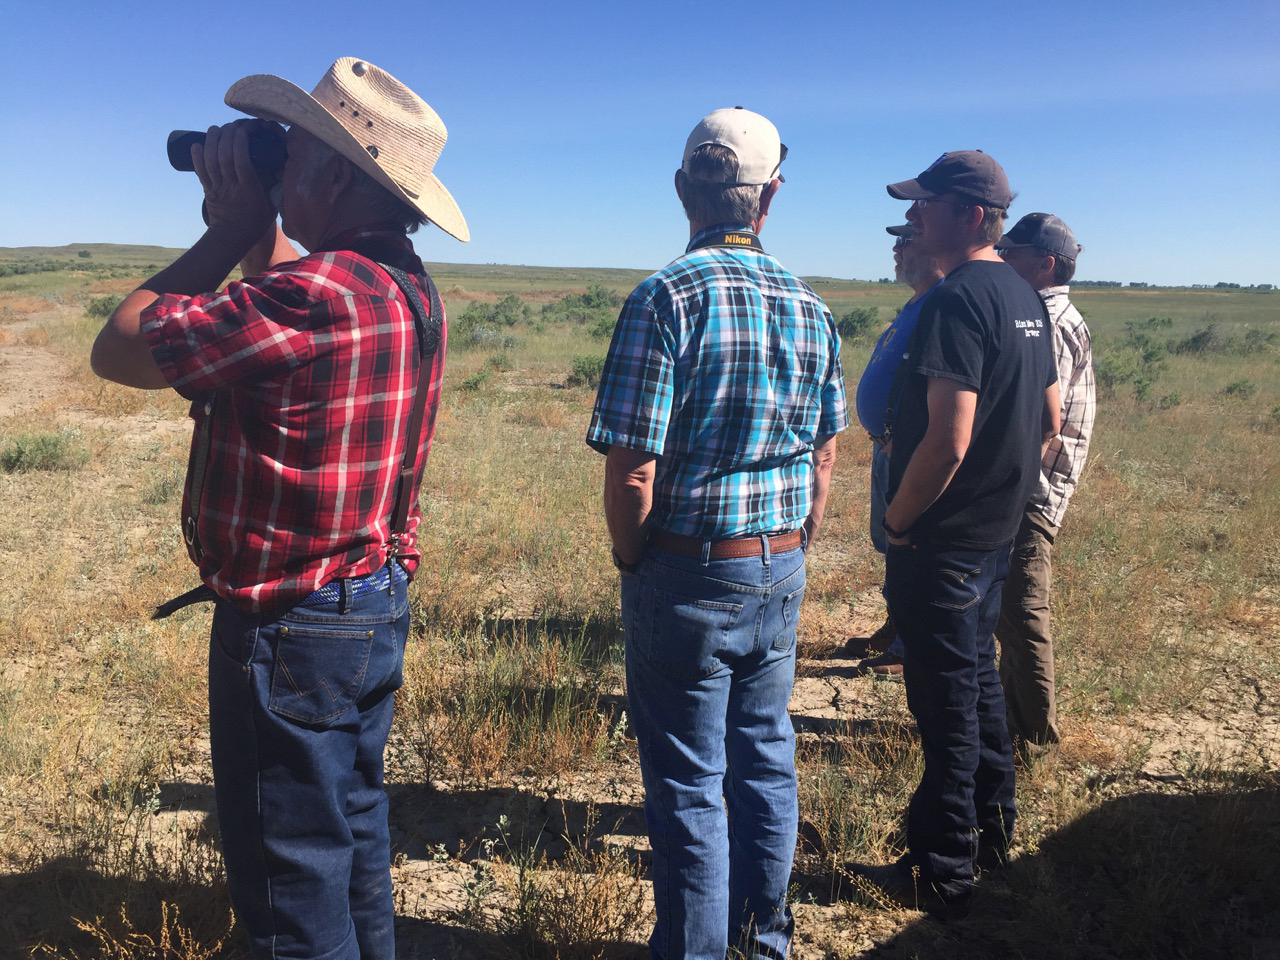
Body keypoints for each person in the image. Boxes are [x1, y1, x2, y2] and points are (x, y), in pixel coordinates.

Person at [90, 57, 468, 960]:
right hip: (366, 601)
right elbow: (293, 295)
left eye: (290, 151)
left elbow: (120, 349)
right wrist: (264, 223)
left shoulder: (312, 297)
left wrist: (228, 230)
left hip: (289, 625)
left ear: (337, 174)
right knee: (352, 839)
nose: (278, 164)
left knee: (286, 883)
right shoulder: (402, 286)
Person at [586, 107, 848, 959]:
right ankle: (762, 942)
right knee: (765, 760)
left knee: (691, 785)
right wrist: (797, 542)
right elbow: (826, 456)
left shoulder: (663, 298)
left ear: (680, 189)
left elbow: (632, 471)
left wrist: (634, 559)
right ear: (769, 197)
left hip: (688, 568)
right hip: (778, 561)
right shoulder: (813, 309)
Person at [842, 151, 1060, 919]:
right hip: (992, 537)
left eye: (926, 204)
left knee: (944, 709)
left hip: (945, 544)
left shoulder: (957, 301)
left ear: (969, 215)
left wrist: (900, 522)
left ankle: (941, 868)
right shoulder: (1022, 295)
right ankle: (995, 831)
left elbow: (947, 440)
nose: (914, 217)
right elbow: (1050, 422)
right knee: (977, 688)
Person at [995, 213, 1094, 753]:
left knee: (1024, 610)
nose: (1004, 261)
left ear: (1045, 263)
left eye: (1014, 254)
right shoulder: (1050, 312)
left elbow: (1039, 419)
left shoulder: (1045, 320)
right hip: (1035, 484)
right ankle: (1017, 723)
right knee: (1014, 611)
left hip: (1029, 490)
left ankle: (1035, 739)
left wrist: (1005, 485)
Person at [844, 224, 944, 678]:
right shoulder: (918, 302)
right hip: (888, 448)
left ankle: (909, 644)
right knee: (892, 545)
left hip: (909, 451)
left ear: (934, 248)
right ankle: (896, 625)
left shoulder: (943, 303)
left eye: (906, 241)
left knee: (911, 545)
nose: (896, 249)